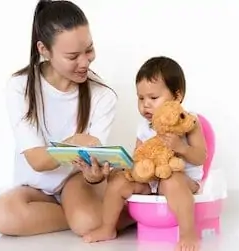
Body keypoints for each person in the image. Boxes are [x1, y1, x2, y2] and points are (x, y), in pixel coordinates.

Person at [0, 0, 134, 237]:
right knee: (1, 215)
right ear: (44, 50)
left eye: (89, 50)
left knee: (86, 222)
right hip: (36, 186)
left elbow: (93, 160)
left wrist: (94, 176)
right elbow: (37, 160)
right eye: (73, 56)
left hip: (75, 180)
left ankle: (99, 215)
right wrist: (75, 141)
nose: (85, 62)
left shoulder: (102, 95)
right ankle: (94, 215)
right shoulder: (20, 87)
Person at [79, 56, 207, 251]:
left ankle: (188, 232)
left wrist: (181, 148)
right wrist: (124, 167)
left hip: (183, 179)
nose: (145, 104)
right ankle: (107, 227)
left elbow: (201, 157)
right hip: (151, 180)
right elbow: (139, 156)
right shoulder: (143, 127)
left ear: (177, 96)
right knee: (118, 182)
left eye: (153, 98)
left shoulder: (189, 122)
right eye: (141, 98)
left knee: (172, 180)